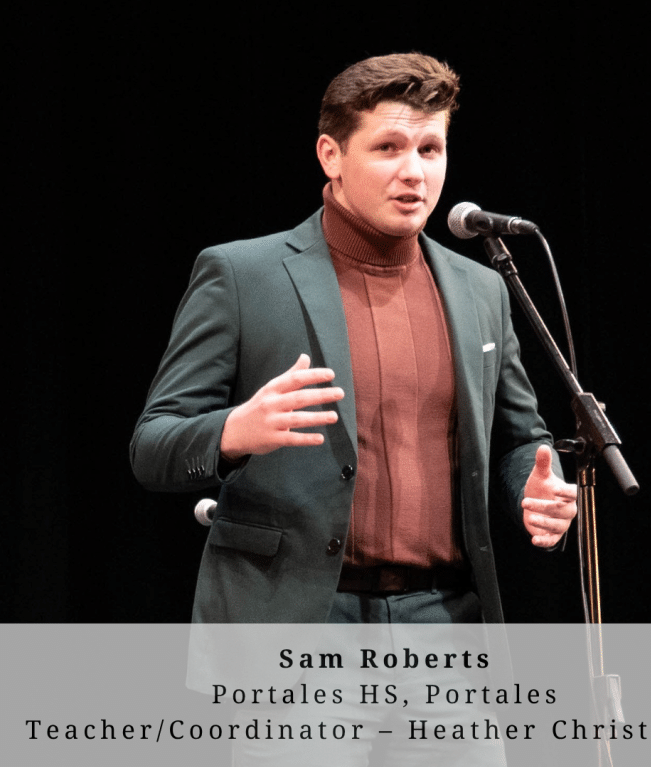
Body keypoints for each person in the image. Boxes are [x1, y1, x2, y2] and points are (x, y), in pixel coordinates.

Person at [130, 52, 577, 626]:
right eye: (388, 148)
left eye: (430, 149)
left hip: (447, 620)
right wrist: (234, 431)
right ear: (331, 156)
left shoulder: (481, 289)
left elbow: (521, 439)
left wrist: (532, 494)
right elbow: (152, 447)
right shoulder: (242, 276)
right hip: (292, 619)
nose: (414, 172)